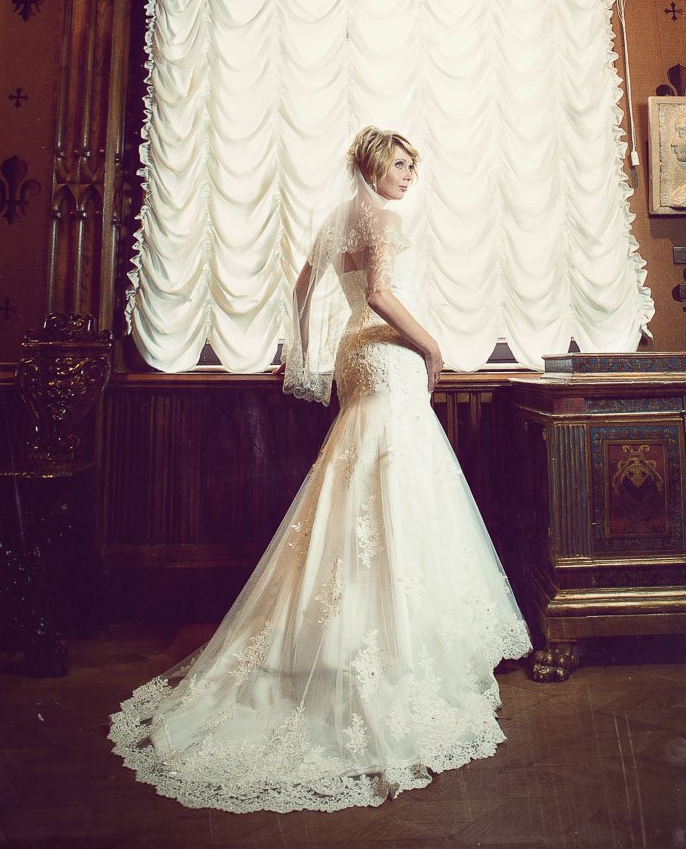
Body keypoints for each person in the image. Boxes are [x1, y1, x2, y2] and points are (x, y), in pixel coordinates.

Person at [110, 126, 531, 813]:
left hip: (352, 355)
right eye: (401, 165)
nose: (409, 176)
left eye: (412, 166)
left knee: (360, 479)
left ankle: (345, 642)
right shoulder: (382, 219)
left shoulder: (337, 219)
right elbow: (383, 295)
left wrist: (303, 354)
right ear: (374, 166)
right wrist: (431, 347)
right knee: (396, 483)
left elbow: (305, 285)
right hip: (387, 353)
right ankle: (392, 650)